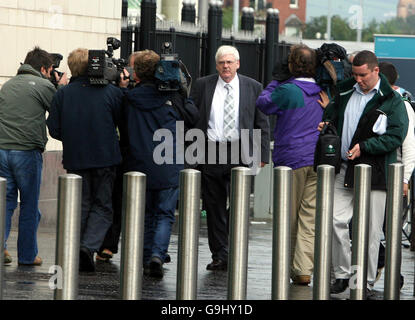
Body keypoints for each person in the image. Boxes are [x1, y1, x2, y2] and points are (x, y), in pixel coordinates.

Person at [318, 50, 408, 296]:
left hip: (375, 171)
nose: (358, 79)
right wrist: (327, 125)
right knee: (334, 219)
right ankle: (343, 273)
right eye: (355, 74)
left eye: (363, 75)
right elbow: (332, 113)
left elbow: (396, 136)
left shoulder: (392, 100)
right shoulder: (347, 89)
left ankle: (364, 282)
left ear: (376, 71)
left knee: (370, 231)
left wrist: (366, 147)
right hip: (344, 167)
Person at [189, 45, 270, 271]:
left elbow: (262, 123)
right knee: (213, 205)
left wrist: (263, 154)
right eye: (222, 62)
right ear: (216, 65)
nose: (226, 66)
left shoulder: (253, 87)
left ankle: (234, 249)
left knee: (239, 204)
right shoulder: (203, 85)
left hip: (241, 151)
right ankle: (220, 254)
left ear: (238, 64)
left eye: (229, 62)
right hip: (211, 150)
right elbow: (192, 117)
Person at [46, 48, 126, 272]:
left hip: (75, 158)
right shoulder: (111, 92)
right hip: (105, 158)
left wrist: (72, 137)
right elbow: (122, 122)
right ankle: (87, 246)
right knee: (103, 206)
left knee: (80, 204)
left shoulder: (63, 93)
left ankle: (76, 247)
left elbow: (54, 129)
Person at [122, 49, 195, 278]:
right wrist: (183, 91)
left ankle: (145, 257)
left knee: (144, 214)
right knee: (164, 214)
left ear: (137, 73)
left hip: (138, 163)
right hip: (168, 163)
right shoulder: (173, 97)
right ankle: (157, 255)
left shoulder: (129, 98)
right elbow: (194, 118)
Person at [256, 44, 324, 285]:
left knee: (289, 216)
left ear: (292, 65)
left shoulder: (289, 90)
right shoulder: (323, 91)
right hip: (317, 159)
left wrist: (277, 79)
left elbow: (263, 103)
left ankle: (288, 265)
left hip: (291, 160)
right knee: (309, 217)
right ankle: (304, 268)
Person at [0, 47, 67, 266]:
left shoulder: (7, 85)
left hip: (2, 150)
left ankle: (2, 249)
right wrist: (61, 88)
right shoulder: (44, 85)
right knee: (29, 204)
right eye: (50, 71)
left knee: (5, 203)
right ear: (43, 69)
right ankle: (28, 255)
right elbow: (59, 111)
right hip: (27, 152)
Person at [374, 61, 415, 288]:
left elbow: (409, 146)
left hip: (395, 174)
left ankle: (393, 274)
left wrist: (405, 178)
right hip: (375, 173)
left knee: (389, 229)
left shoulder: (403, 106)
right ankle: (382, 263)